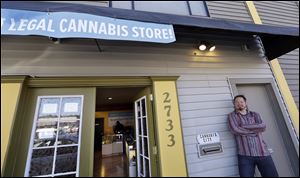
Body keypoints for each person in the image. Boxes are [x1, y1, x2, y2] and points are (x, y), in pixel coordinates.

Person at [228, 95, 279, 177]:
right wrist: (255, 130)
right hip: (245, 155)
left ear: (245, 103)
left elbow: (262, 127)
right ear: (234, 104)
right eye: (236, 102)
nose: (239, 103)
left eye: (241, 101)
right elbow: (235, 130)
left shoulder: (255, 114)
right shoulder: (232, 116)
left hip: (263, 153)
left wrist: (243, 126)